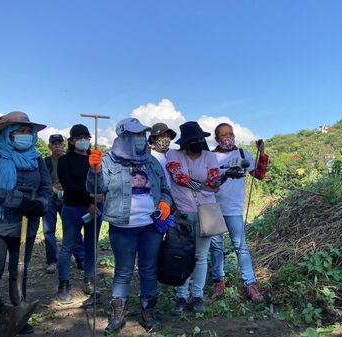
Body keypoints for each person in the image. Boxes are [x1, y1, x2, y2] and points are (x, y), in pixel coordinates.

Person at [87, 118, 172, 334]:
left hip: (151, 225)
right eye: (135, 135)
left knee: (149, 269)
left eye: (142, 135)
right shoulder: (108, 161)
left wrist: (165, 204)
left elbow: (165, 190)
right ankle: (118, 315)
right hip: (122, 226)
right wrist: (94, 171)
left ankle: (148, 312)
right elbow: (96, 189)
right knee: (123, 271)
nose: (140, 139)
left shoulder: (151, 161)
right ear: (123, 137)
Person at [0, 111, 52, 336]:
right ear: (8, 133)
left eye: (28, 131)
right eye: (19, 130)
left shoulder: (36, 157)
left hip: (26, 224)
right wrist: (17, 201)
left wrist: (39, 204)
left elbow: (46, 188)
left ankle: (19, 311)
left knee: (19, 269)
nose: (25, 134)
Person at [209, 123, 268, 303]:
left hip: (234, 209)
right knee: (216, 247)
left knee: (240, 246)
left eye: (231, 133)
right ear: (217, 138)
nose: (229, 137)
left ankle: (249, 283)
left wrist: (262, 154)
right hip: (213, 207)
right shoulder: (210, 157)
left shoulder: (243, 154)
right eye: (224, 134)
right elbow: (207, 180)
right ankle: (219, 281)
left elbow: (259, 174)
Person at [167, 121, 220, 315]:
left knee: (200, 256)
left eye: (200, 139)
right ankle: (181, 295)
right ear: (186, 142)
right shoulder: (174, 155)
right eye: (194, 140)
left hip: (206, 211)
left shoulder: (210, 156)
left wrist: (214, 182)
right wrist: (200, 186)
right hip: (183, 212)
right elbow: (177, 175)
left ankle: (197, 296)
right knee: (182, 255)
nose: (198, 142)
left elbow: (214, 179)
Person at [56, 125, 103, 302]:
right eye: (80, 137)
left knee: (91, 245)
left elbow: (100, 184)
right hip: (73, 208)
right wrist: (89, 197)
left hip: (95, 209)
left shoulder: (95, 160)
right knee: (68, 246)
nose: (84, 140)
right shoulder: (65, 160)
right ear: (72, 140)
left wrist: (93, 201)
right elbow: (68, 186)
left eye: (86, 136)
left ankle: (89, 280)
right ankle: (64, 283)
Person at [43, 134, 86, 274]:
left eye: (59, 143)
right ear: (49, 146)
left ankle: (80, 258)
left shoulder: (69, 159)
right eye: (54, 143)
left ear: (64, 145)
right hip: (50, 199)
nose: (57, 146)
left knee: (73, 229)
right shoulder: (46, 161)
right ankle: (52, 261)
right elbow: (43, 179)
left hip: (68, 199)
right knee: (49, 231)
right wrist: (54, 190)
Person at [148, 122, 176, 187]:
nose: (166, 139)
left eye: (168, 136)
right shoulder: (149, 155)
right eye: (163, 136)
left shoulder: (172, 154)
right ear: (153, 138)